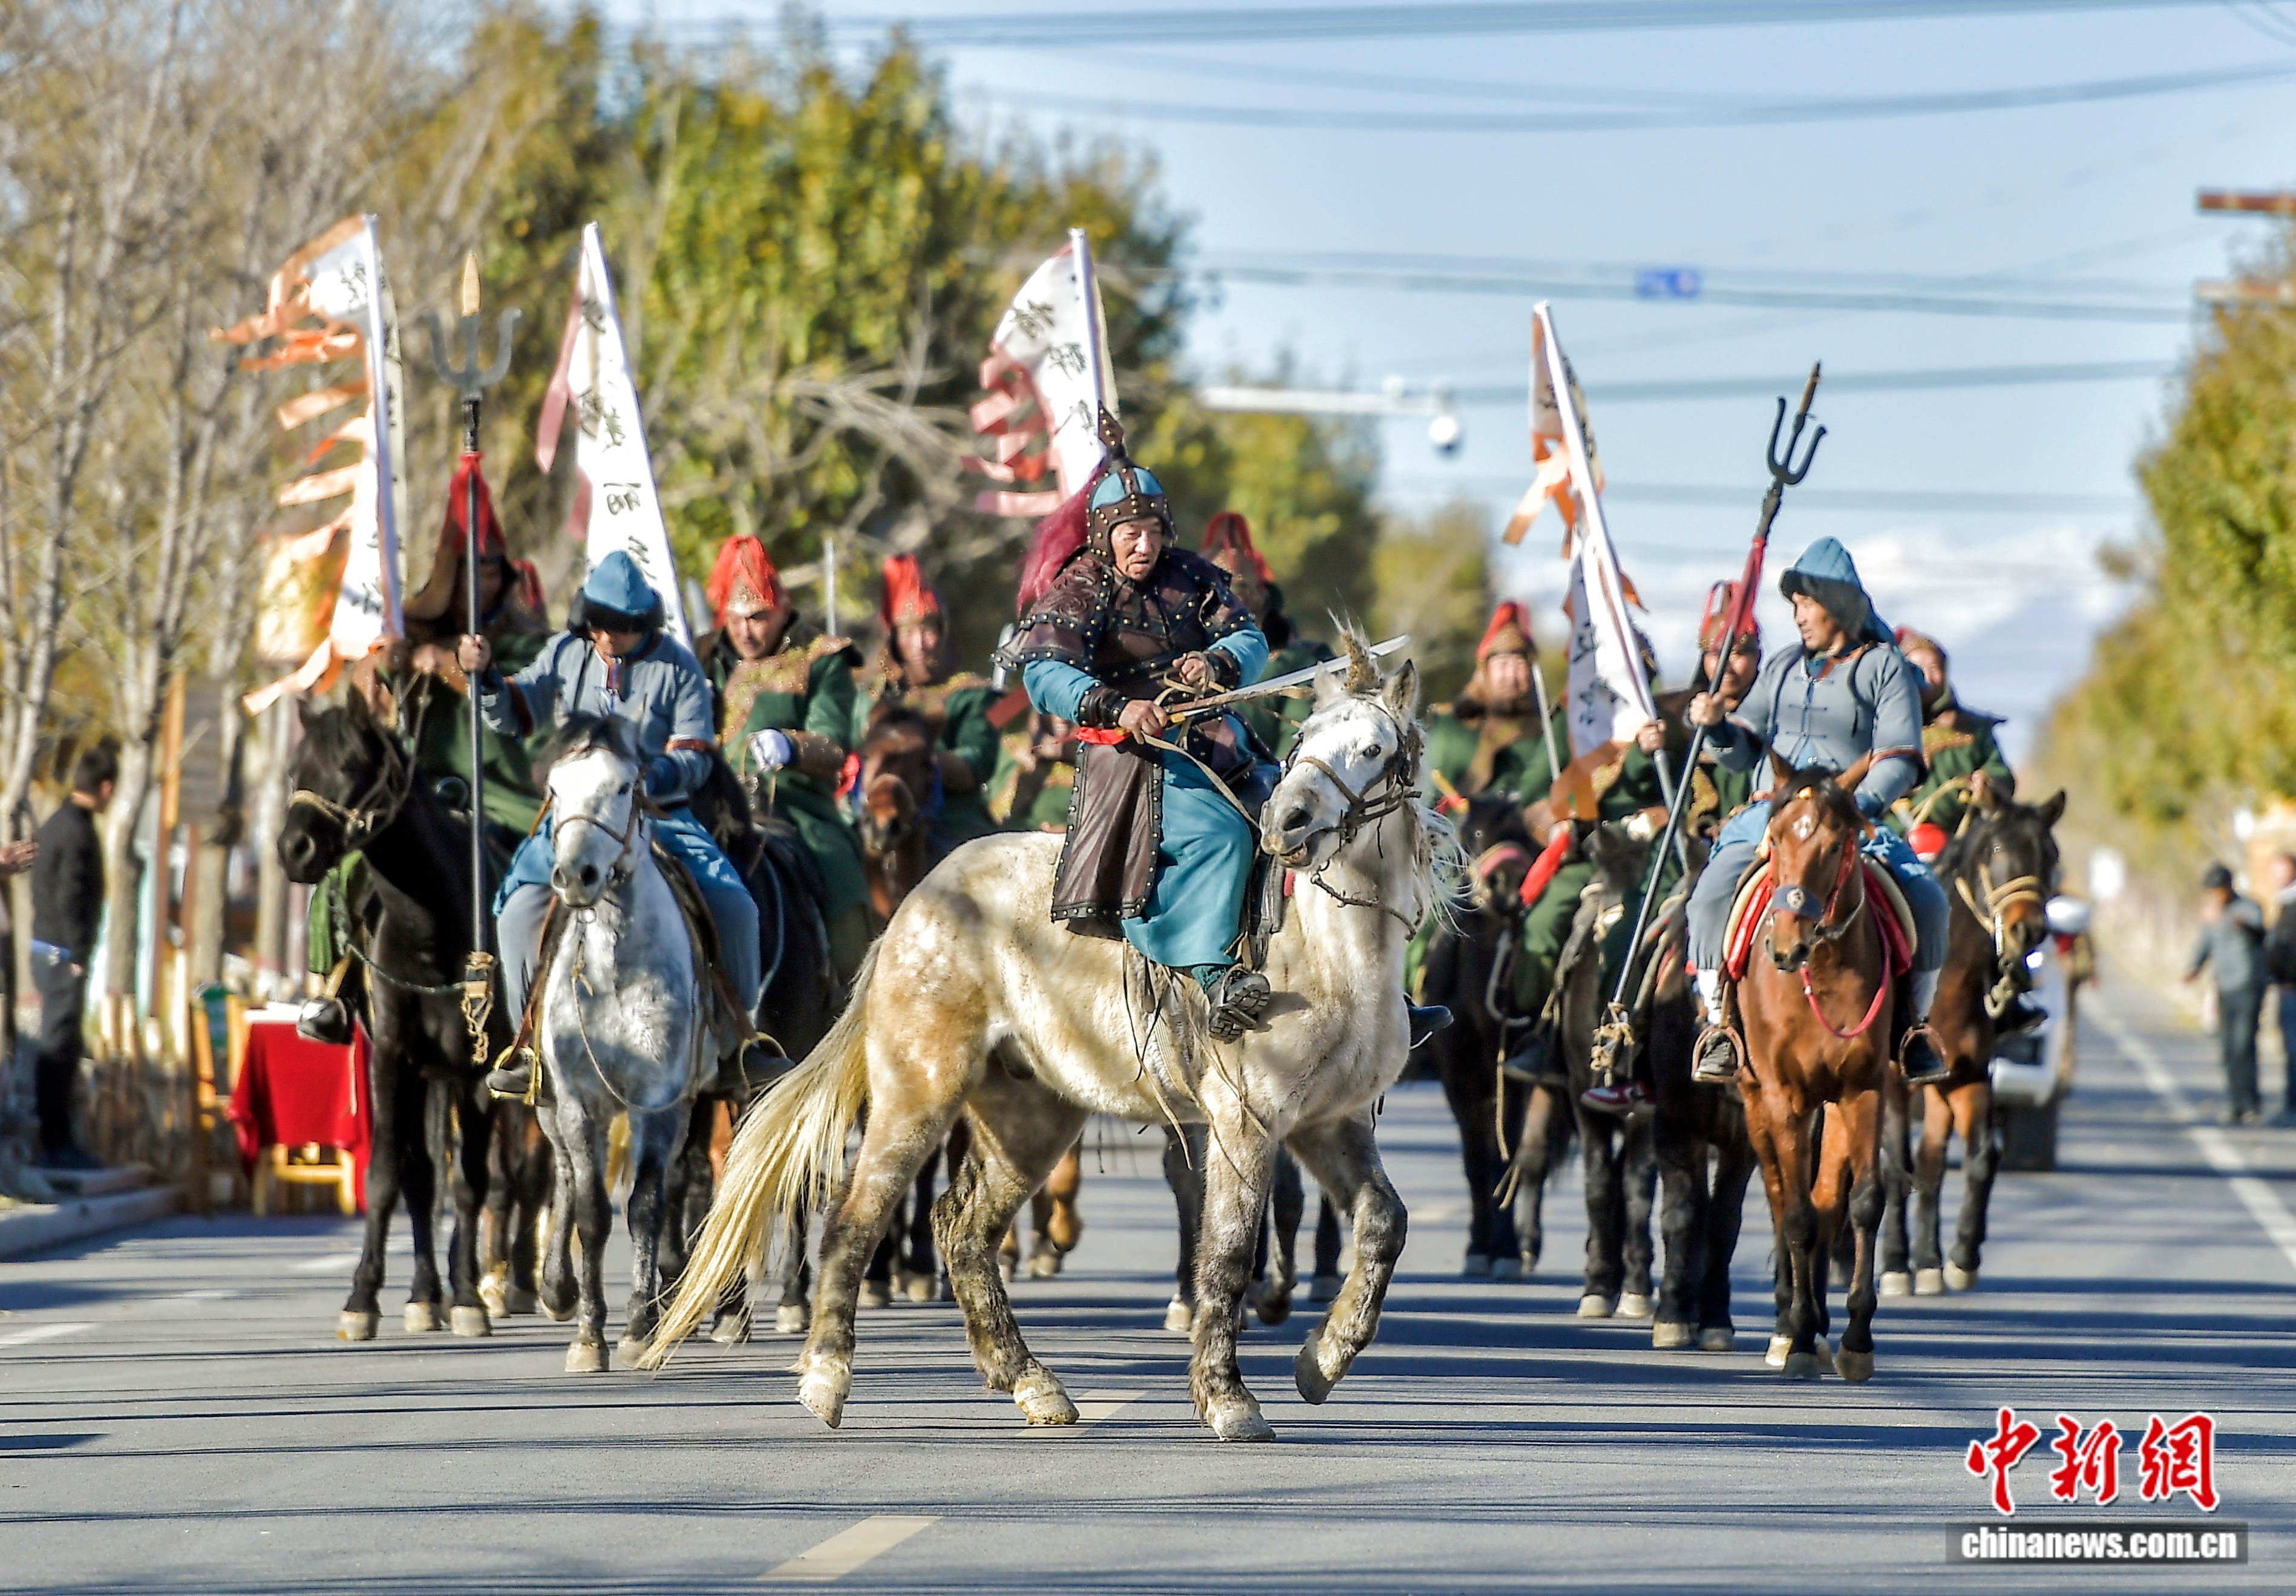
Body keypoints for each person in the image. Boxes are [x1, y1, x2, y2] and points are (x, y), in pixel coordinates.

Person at [998, 425, 1281, 1041]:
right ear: (1104, 535)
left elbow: (1249, 638)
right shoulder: (1081, 585)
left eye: (1152, 529)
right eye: (1129, 531)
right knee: (1222, 834)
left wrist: (1215, 663)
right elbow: (1043, 673)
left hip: (1217, 740)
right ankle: (1212, 975)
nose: (1143, 543)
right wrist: (1116, 707)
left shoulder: (1192, 575)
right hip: (1134, 757)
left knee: (1305, 818)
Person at [460, 552, 770, 1102]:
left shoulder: (679, 668)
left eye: (620, 629)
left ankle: (736, 1043)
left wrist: (650, 775)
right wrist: (484, 677)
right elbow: (512, 713)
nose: (607, 637)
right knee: (513, 914)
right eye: (598, 626)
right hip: (572, 818)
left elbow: (698, 756)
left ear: (642, 627)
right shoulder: (563, 651)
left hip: (659, 814)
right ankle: (528, 1046)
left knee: (738, 908)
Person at [1683, 538, 1952, 1088]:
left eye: (1806, 603)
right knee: (1709, 894)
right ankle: (1718, 1027)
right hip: (1770, 819)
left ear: (1837, 605)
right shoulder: (1780, 666)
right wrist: (1715, 726)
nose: (1798, 616)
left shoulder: (1884, 669)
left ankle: (1913, 1029)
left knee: (1929, 900)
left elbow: (1900, 758)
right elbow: (1744, 746)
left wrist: (1851, 809)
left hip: (1853, 821)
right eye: (1796, 606)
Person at [299, 464, 550, 1045]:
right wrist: (384, 660)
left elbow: (520, 700)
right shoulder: (414, 629)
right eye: (466, 572)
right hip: (420, 798)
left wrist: (449, 667)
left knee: (543, 887)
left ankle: (539, 1004)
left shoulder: (530, 641)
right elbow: (365, 701)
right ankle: (332, 991)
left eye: (488, 572)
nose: (479, 584)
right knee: (347, 868)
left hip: (504, 801)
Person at [698, 535, 870, 981]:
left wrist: (791, 747)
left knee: (842, 881)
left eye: (758, 618)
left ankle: (854, 998)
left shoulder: (821, 658)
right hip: (709, 808)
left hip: (795, 811)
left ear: (782, 607)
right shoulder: (703, 657)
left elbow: (834, 747)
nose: (745, 631)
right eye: (735, 619)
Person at [853, 554, 1001, 859]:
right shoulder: (872, 697)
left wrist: (917, 762)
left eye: (927, 630)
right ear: (894, 639)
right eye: (908, 633)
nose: (919, 644)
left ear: (943, 632)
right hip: (873, 815)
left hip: (951, 819)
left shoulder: (971, 694)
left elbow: (977, 762)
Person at [29, 743, 116, 1169]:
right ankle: (55, 1144)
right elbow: (70, 895)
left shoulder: (59, 823)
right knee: (58, 1049)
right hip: (61, 952)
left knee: (63, 1045)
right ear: (105, 787)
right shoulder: (76, 831)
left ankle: (61, 1138)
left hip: (47, 947)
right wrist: (78, 952)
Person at [1202, 511, 1332, 759]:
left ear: (1259, 599)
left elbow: (1295, 750)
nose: (1220, 607)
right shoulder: (1177, 653)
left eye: (1233, 594)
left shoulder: (1298, 664)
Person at [1887, 627, 2016, 851]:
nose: (1927, 677)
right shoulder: (1880, 729)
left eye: (1934, 668)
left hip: (1962, 842)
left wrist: (1986, 783)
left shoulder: (1973, 730)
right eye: (1917, 669)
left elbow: (2002, 774)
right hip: (1893, 841)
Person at [2186, 861, 2266, 1125]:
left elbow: (2259, 932)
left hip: (2248, 985)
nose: (2215, 896)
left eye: (2218, 890)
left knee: (2244, 1044)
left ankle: (2251, 1103)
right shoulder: (2212, 915)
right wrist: (2194, 968)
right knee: (2228, 1047)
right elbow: (2205, 944)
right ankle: (2236, 1104)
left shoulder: (2248, 908)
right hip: (2225, 986)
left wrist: (2238, 923)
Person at [2266, 851, 2296, 1124]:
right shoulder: (2284, 903)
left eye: (2283, 870)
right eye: (2274, 871)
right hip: (2285, 987)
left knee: (2294, 1048)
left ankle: (2292, 1108)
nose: (2277, 876)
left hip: (2292, 988)